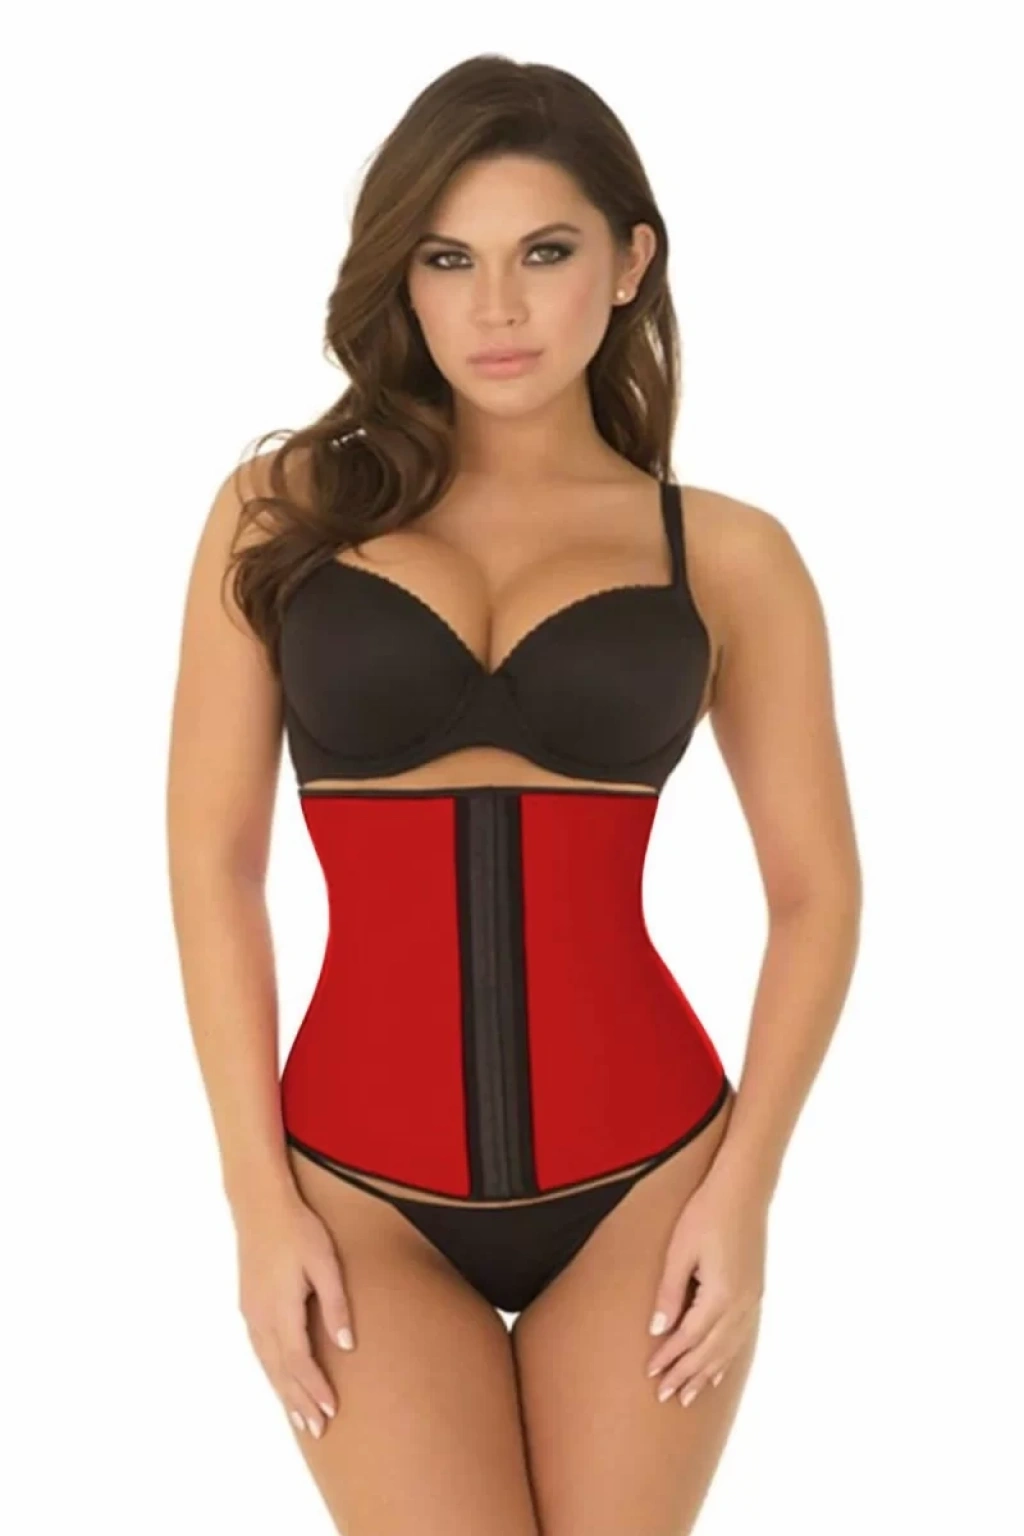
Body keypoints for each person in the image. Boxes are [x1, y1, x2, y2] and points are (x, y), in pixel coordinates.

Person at [167, 53, 861, 1536]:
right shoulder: (284, 513)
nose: (496, 307)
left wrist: (743, 1194)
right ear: (401, 277)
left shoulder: (728, 555)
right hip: (356, 1191)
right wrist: (255, 1202)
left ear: (630, 263)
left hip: (650, 1183)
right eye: (448, 259)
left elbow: (816, 895)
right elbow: (214, 862)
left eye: (544, 253)